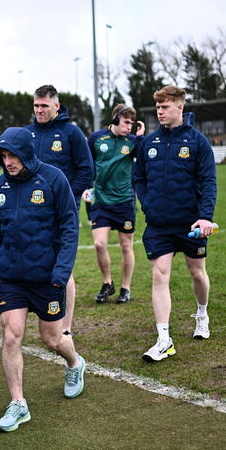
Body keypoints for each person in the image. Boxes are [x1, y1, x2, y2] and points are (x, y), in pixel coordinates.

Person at [0, 127, 86, 432]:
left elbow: (69, 228)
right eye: (3, 156)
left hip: (46, 277)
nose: (8, 161)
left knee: (51, 339)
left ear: (26, 153)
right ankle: (18, 404)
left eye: (12, 155)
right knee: (11, 335)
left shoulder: (54, 179)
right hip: (12, 278)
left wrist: (61, 272)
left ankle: (74, 363)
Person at [132, 86, 217, 363]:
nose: (160, 111)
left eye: (165, 107)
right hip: (159, 224)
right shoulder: (149, 143)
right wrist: (148, 203)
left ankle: (202, 314)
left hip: (191, 223)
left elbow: (209, 182)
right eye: (158, 107)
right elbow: (138, 178)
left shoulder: (197, 142)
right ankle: (164, 339)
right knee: (159, 275)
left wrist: (205, 216)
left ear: (180, 107)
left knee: (197, 273)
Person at [25, 85, 93, 338]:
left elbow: (87, 170)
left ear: (56, 105)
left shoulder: (71, 132)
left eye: (44, 105)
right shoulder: (27, 133)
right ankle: (46, 319)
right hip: (31, 210)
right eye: (36, 105)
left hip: (62, 212)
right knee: (35, 261)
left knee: (62, 266)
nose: (39, 110)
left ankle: (65, 327)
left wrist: (67, 198)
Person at [85, 104, 144, 305]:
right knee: (99, 244)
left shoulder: (132, 141)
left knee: (126, 245)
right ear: (115, 119)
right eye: (126, 122)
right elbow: (87, 165)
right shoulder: (96, 138)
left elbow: (146, 159)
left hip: (124, 202)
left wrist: (141, 139)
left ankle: (126, 288)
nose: (129, 127)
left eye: (132, 123)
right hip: (101, 202)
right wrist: (86, 188)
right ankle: (107, 283)